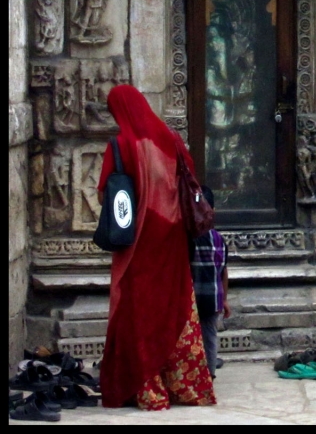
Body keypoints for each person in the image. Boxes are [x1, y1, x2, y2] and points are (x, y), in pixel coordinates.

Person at [97, 84, 216, 410]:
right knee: (175, 305)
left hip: (137, 242)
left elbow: (106, 193)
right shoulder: (171, 140)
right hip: (172, 238)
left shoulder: (120, 145)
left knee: (137, 310)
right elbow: (188, 178)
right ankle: (185, 387)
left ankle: (149, 390)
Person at [190, 186, 230, 379]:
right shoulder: (219, 239)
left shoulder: (189, 238)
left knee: (191, 337)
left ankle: (194, 374)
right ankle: (210, 373)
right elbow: (224, 272)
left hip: (192, 299)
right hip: (213, 298)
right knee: (210, 337)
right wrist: (224, 300)